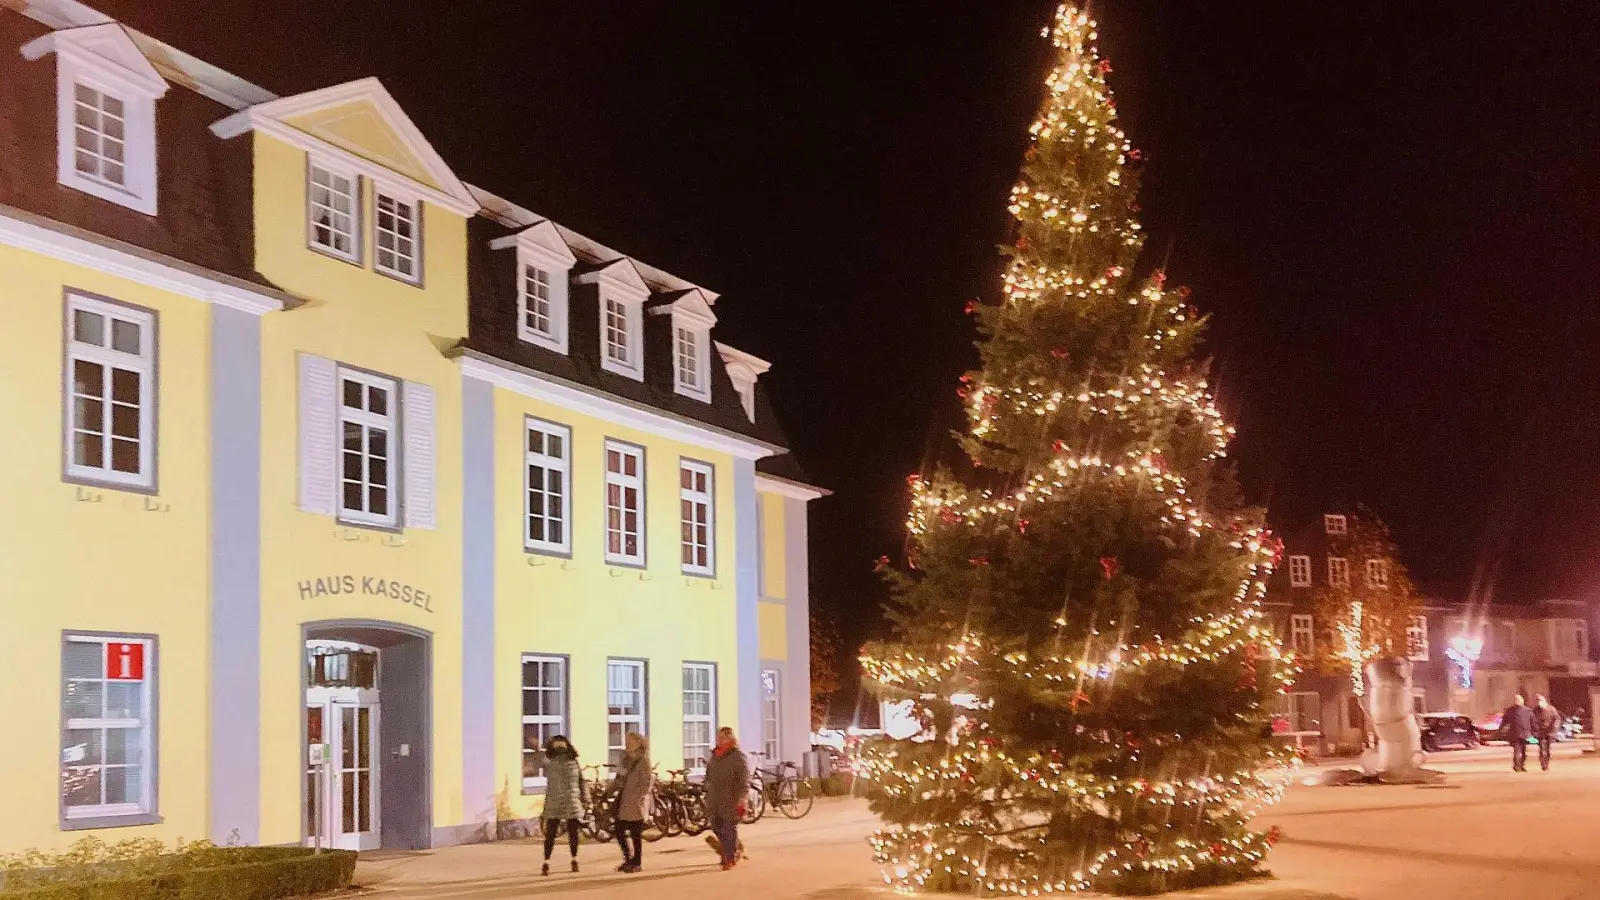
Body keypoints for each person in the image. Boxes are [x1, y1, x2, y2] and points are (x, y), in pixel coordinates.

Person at [703, 726, 751, 871]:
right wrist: (707, 785)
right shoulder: (715, 756)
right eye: (718, 737)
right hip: (714, 798)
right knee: (716, 827)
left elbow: (744, 779)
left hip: (731, 798)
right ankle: (732, 850)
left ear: (730, 739)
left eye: (723, 737)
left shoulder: (737, 756)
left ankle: (729, 857)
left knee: (729, 828)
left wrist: (741, 797)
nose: (720, 740)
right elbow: (709, 774)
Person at [539, 735, 583, 876]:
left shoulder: (549, 762)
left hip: (554, 802)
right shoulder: (573, 762)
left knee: (550, 834)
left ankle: (546, 862)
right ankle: (574, 860)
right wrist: (585, 799)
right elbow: (581, 782)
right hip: (571, 801)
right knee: (573, 833)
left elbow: (538, 763)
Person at [613, 733, 653, 873]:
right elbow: (619, 778)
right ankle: (628, 858)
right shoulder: (625, 758)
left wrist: (639, 797)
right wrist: (610, 790)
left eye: (630, 741)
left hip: (636, 802)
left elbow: (647, 782)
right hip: (624, 800)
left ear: (638, 743)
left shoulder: (643, 760)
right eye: (626, 741)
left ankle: (637, 862)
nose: (627, 743)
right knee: (619, 830)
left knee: (635, 833)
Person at [1501, 694, 1534, 772]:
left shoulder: (1510, 710)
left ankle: (1517, 766)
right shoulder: (1528, 710)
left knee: (1517, 751)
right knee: (1523, 751)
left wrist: (1501, 731)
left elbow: (1504, 722)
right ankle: (1521, 766)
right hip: (1524, 734)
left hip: (1515, 734)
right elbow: (1533, 722)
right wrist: (1533, 733)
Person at [1533, 695, 1561, 771]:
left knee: (1547, 749)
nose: (1538, 702)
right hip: (1540, 732)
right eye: (1537, 701)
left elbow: (1557, 719)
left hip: (1549, 732)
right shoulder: (1536, 709)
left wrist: (1553, 729)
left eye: (1539, 701)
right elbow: (1533, 720)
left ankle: (1546, 763)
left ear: (1543, 701)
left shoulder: (1551, 709)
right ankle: (1543, 764)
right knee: (1541, 748)